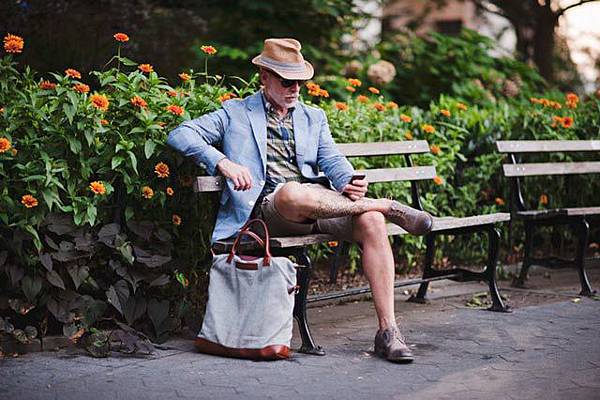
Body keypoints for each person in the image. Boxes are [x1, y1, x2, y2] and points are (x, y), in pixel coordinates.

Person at [167, 38, 433, 363]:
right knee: (291, 192)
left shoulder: (312, 117)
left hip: (318, 202)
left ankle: (388, 331)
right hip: (268, 210)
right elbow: (180, 133)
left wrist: (347, 180)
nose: (295, 89)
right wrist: (223, 162)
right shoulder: (235, 113)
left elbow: (332, 159)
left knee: (371, 222)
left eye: (301, 82)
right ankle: (386, 205)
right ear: (264, 77)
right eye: (287, 81)